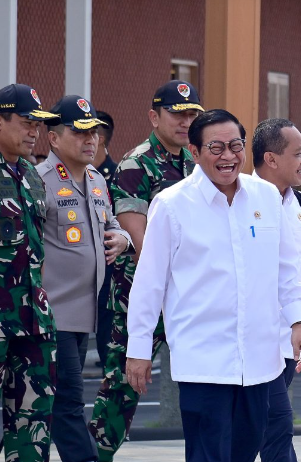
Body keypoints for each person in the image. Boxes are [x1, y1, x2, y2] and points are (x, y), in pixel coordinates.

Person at [125, 109, 301, 462]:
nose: (228, 156)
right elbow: (150, 283)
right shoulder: (172, 205)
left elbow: (288, 269)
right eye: (216, 147)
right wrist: (138, 349)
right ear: (194, 153)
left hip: (259, 362)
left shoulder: (267, 197)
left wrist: (297, 322)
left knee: (245, 450)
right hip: (203, 362)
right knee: (208, 455)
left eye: (235, 146)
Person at [89, 80, 203, 460]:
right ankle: (98, 455)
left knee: (205, 386)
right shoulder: (135, 164)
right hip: (138, 299)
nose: (185, 121)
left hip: (189, 296)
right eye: (176, 113)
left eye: (191, 114)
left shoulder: (196, 163)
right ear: (154, 117)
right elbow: (140, 240)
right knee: (122, 389)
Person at [0, 83, 60, 460]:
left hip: (33, 320)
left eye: (38, 123)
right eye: (26, 121)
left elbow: (37, 252)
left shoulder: (33, 176)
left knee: (34, 421)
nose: (34, 130)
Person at [38, 95, 132, 462]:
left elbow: (110, 223)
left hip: (85, 314)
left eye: (93, 132)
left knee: (59, 404)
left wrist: (122, 239)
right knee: (69, 403)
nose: (90, 139)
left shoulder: (95, 179)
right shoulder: (40, 180)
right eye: (79, 132)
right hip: (53, 314)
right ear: (54, 138)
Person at [252, 118, 301, 462]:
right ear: (271, 159)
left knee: (256, 427)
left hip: (289, 339)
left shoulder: (299, 203)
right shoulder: (241, 200)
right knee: (277, 422)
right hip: (254, 339)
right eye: (298, 153)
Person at [92, 109, 118, 368]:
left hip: (108, 267)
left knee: (106, 334)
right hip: (77, 268)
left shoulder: (115, 175)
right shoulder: (75, 176)